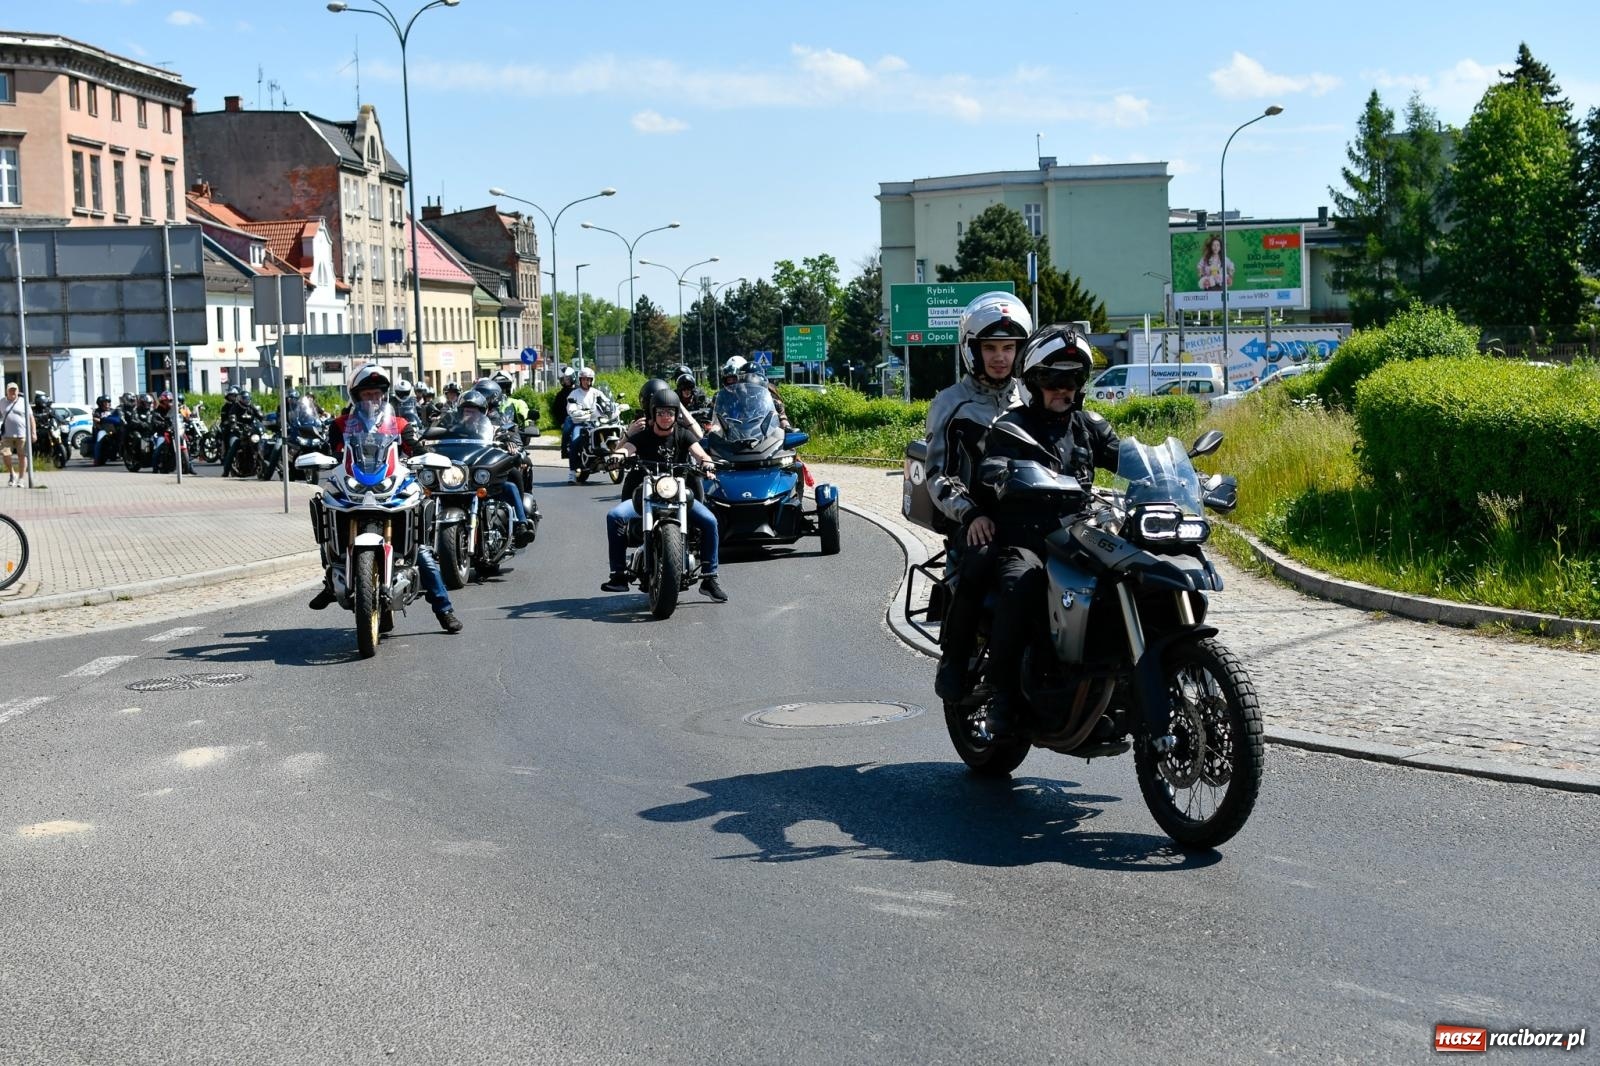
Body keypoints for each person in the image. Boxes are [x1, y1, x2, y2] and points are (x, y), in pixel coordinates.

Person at [975, 325, 1120, 735]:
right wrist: (1003, 475)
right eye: (1055, 379)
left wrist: (1180, 474)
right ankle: (1001, 693)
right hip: (1028, 539)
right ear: (1035, 383)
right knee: (1025, 584)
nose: (1065, 389)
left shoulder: (1090, 426)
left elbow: (1129, 457)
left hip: (1081, 534)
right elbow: (993, 464)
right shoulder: (1012, 426)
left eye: (1073, 379)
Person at [924, 290, 1033, 703]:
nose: (1001, 357)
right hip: (977, 523)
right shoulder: (952, 404)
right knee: (981, 562)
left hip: (1029, 518)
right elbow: (938, 473)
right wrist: (970, 515)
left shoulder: (1030, 397)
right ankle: (954, 661)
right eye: (991, 348)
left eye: (1009, 347)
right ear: (972, 348)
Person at [308, 364, 463, 633]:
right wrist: (324, 461)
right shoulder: (340, 425)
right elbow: (332, 453)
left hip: (390, 485)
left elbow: (414, 449)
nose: (372, 400)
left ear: (385, 396)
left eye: (377, 394)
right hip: (354, 486)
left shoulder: (400, 424)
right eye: (367, 394)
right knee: (327, 506)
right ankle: (330, 581)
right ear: (356, 397)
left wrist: (422, 457)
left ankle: (444, 609)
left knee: (421, 551)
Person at [599, 388, 727, 601]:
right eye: (660, 413)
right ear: (652, 414)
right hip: (646, 494)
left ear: (676, 414)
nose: (665, 417)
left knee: (710, 521)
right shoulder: (642, 436)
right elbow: (627, 449)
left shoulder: (683, 435)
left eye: (670, 412)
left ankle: (710, 578)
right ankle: (619, 575)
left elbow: (700, 453)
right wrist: (617, 456)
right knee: (615, 516)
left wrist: (708, 465)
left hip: (678, 493)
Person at [718, 356, 790, 430]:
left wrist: (786, 427)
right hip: (737, 435)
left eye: (752, 382)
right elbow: (718, 417)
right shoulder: (731, 400)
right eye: (744, 382)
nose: (748, 388)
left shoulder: (769, 399)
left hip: (766, 435)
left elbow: (782, 418)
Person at [564, 366, 604, 483]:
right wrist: (579, 412)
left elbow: (607, 402)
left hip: (596, 423)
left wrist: (614, 406)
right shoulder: (574, 394)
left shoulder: (596, 392)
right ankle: (572, 473)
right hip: (581, 424)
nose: (587, 381)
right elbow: (570, 408)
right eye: (584, 379)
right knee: (575, 441)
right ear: (580, 380)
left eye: (589, 379)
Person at [218, 386, 263, 477]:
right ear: (240, 399)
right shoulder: (235, 407)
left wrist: (264, 421)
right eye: (244, 398)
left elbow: (261, 416)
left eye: (247, 398)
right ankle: (226, 471)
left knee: (261, 442)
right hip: (238, 432)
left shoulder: (251, 407)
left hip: (250, 432)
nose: (246, 400)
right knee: (233, 447)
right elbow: (232, 417)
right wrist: (234, 425)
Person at [0, 383, 32, 486]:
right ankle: (12, 473)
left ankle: (21, 479)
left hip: (22, 434)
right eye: (11, 390)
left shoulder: (23, 402)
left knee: (22, 456)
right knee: (5, 455)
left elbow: (31, 418)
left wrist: (33, 432)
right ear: (7, 391)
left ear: (18, 391)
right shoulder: (2, 402)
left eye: (15, 390)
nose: (13, 392)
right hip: (6, 434)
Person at [553, 367, 577, 459]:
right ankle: (565, 450)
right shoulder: (560, 395)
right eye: (564, 379)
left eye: (567, 378)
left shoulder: (579, 390)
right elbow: (556, 410)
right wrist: (561, 422)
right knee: (566, 431)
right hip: (569, 419)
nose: (566, 381)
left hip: (583, 416)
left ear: (572, 377)